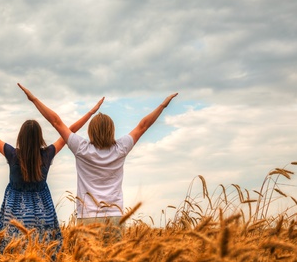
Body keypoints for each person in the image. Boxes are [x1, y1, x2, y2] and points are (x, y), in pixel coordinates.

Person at [0, 88, 104, 258]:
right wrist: (91, 112)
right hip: (43, 211)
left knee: (12, 253)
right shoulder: (47, 154)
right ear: (40, 137)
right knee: (43, 252)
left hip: (14, 212)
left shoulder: (12, 154)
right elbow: (70, 130)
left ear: (20, 137)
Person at [17, 83, 178, 239]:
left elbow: (56, 121)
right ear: (112, 130)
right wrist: (162, 106)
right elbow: (143, 126)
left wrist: (34, 100)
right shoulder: (121, 148)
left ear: (91, 131)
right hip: (115, 217)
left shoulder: (81, 148)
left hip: (87, 217)